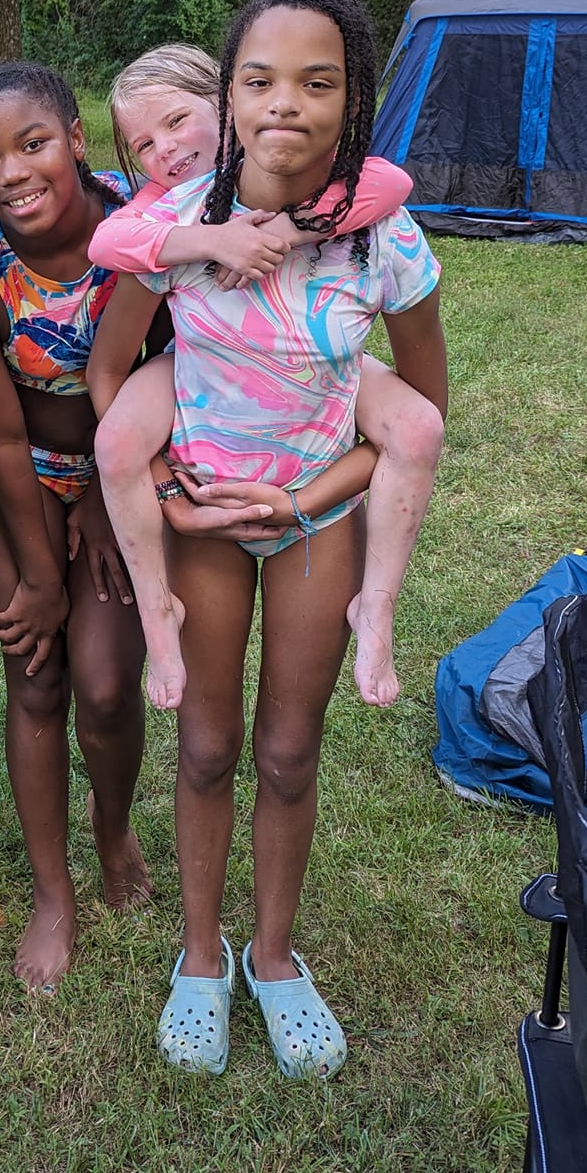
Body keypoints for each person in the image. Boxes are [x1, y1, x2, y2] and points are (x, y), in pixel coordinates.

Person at [87, 0, 448, 1078]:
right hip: (198, 517)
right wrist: (171, 493)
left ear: (355, 99)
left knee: (289, 748)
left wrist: (304, 497)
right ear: (228, 96)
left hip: (313, 511)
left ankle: (276, 955)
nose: (286, 102)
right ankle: (201, 955)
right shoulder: (180, 224)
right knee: (204, 742)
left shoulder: (381, 238)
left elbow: (420, 406)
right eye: (261, 78)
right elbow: (112, 368)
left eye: (317, 81)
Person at [87, 43, 443, 711]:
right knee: (115, 445)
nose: (162, 149)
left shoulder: (335, 188)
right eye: (142, 144)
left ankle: (378, 606)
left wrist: (291, 227)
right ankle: (157, 609)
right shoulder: (171, 208)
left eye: (175, 122)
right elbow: (106, 245)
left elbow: (390, 184)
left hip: (317, 367)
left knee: (419, 426)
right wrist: (210, 241)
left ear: (227, 105)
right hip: (197, 372)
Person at [0, 63, 154, 994]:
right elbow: (5, 434)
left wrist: (106, 495)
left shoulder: (146, 236)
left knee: (105, 686)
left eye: (31, 144)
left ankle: (112, 831)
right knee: (37, 675)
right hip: (17, 482)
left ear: (74, 137)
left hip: (125, 471)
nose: (12, 172)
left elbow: (170, 374)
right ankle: (53, 894)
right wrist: (43, 569)